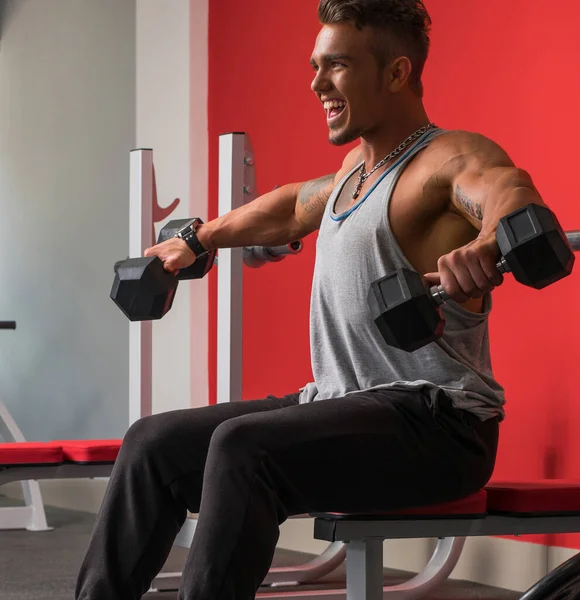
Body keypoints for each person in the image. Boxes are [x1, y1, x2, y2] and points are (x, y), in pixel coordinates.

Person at [76, 1, 551, 599]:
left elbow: (506, 189)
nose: (317, 83)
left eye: (337, 66)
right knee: (151, 444)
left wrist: (488, 242)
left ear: (397, 73)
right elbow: (293, 204)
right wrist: (198, 239)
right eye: (314, 66)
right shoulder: (355, 171)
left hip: (438, 425)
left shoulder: (449, 159)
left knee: (242, 445)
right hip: (339, 401)